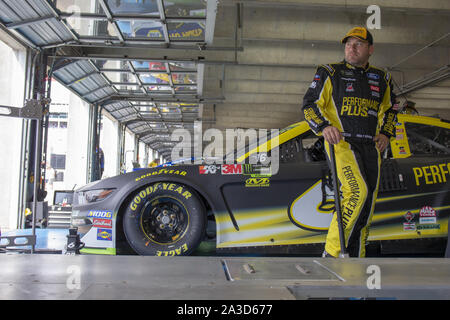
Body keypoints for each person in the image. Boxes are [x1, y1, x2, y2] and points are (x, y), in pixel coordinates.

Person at [302, 26, 398, 258]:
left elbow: (391, 110)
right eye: (348, 44)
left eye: (358, 44)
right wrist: (324, 127)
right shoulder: (329, 72)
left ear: (370, 49)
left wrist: (386, 133)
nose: (351, 48)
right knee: (357, 192)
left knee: (368, 204)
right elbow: (310, 104)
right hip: (342, 144)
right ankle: (333, 253)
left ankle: (357, 257)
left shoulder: (382, 77)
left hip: (372, 147)